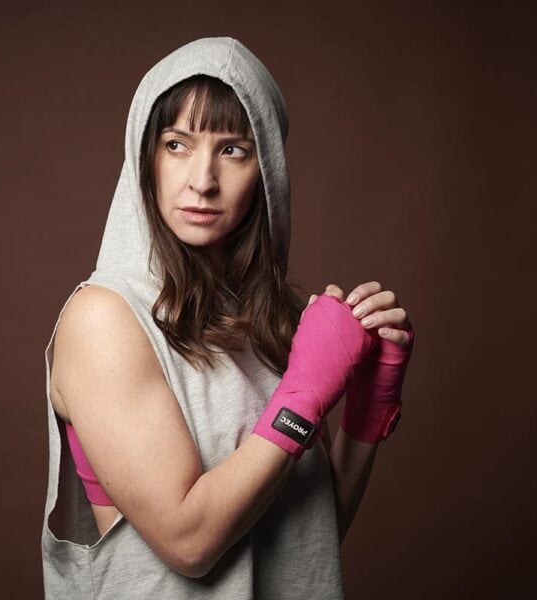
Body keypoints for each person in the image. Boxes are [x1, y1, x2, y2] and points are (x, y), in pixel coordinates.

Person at [41, 37, 414, 599]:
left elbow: (307, 541)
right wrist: (306, 394)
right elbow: (190, 542)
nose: (202, 180)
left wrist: (367, 410)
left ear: (266, 168)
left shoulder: (279, 320)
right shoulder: (104, 319)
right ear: (144, 157)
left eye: (233, 150)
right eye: (177, 144)